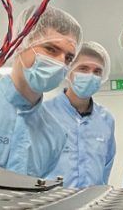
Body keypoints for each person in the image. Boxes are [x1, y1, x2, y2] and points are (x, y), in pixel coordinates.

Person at [0, 5, 81, 178]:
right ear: (20, 44)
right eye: (50, 49)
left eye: (68, 58)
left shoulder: (55, 135)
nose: (61, 63)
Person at [46, 42, 115, 188]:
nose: (90, 75)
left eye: (97, 71)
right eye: (83, 69)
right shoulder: (44, 114)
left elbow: (106, 167)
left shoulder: (106, 120)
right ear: (68, 70)